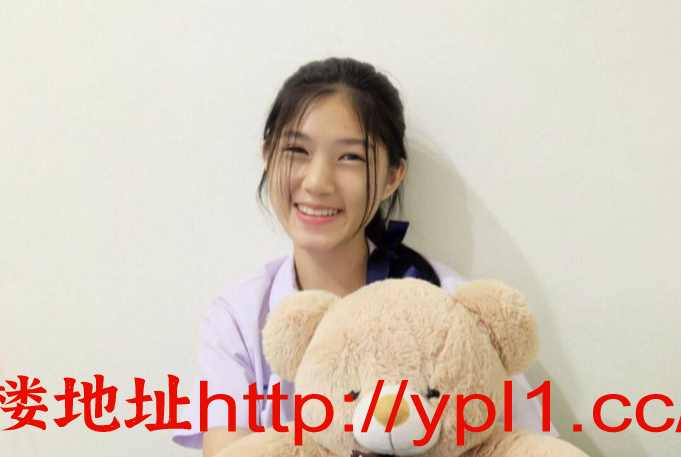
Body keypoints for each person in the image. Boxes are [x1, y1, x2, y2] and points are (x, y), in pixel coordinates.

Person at [173, 57, 558, 456]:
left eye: (351, 157)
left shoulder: (451, 307)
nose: (317, 182)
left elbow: (529, 445)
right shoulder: (238, 317)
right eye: (297, 150)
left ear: (392, 176)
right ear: (268, 156)